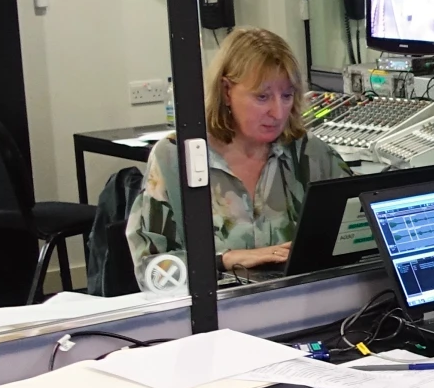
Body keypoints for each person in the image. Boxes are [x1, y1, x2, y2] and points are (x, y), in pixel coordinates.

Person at [125, 27, 346, 279]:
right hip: (215, 311)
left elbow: (359, 238)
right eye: (262, 97)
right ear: (226, 91)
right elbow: (150, 270)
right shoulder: (175, 157)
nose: (278, 112)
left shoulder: (309, 153)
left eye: (287, 96)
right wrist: (224, 260)